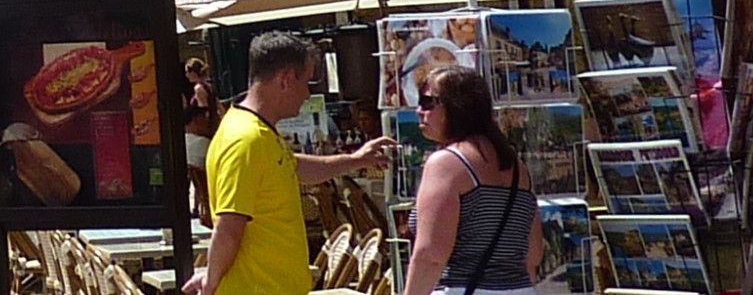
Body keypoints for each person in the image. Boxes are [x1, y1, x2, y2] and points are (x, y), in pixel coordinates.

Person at [184, 32, 394, 295]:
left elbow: (295, 167)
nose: (308, 93)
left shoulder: (257, 131)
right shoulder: (246, 139)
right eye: (306, 82)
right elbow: (229, 228)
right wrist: (211, 283)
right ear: (285, 80)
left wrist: (355, 159)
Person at [402, 68, 542, 295]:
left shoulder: (447, 163)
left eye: (427, 102)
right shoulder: (517, 168)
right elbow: (533, 254)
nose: (419, 111)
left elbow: (431, 255)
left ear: (456, 106)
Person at [183, 58, 221, 227]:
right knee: (199, 174)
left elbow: (203, 110)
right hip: (205, 135)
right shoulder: (209, 87)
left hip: (197, 134)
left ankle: (202, 209)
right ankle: (199, 208)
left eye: (187, 71)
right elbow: (219, 109)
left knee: (195, 173)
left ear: (193, 72)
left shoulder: (198, 89)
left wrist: (188, 115)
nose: (186, 75)